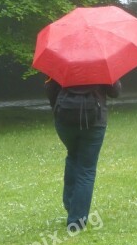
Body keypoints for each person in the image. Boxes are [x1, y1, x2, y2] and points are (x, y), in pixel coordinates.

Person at [45, 78, 121, 230]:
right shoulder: (100, 62)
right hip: (94, 122)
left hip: (64, 121)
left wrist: (58, 110)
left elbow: (50, 91)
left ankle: (70, 203)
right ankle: (76, 221)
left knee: (73, 155)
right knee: (86, 169)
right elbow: (115, 92)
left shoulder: (61, 61)